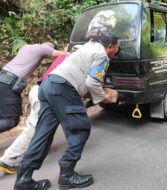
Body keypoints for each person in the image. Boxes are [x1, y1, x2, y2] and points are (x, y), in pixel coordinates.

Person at [14, 31, 120, 190]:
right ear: (110, 46)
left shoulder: (87, 47)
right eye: (117, 48)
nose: (117, 52)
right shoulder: (102, 55)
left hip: (48, 85)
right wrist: (103, 98)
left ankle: (23, 179)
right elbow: (92, 83)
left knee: (43, 132)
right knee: (80, 129)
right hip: (62, 87)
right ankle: (67, 176)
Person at [0, 55, 68, 174]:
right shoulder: (77, 59)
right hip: (45, 94)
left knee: (39, 127)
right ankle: (8, 159)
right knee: (32, 128)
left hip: (38, 89)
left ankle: (33, 151)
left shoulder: (63, 57)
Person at [0, 42, 69, 133]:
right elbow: (67, 54)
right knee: (11, 120)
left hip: (2, 78)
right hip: (9, 83)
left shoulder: (25, 47)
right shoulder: (43, 49)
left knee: (2, 116)